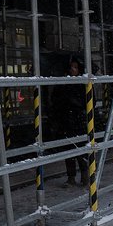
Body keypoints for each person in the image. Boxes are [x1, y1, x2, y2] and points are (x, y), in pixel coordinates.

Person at [49, 57, 88, 186]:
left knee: (81, 149)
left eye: (75, 67)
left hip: (79, 121)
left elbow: (86, 102)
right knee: (69, 150)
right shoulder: (63, 83)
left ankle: (84, 174)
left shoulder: (83, 84)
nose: (73, 69)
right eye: (71, 67)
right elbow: (55, 100)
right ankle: (71, 176)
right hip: (66, 121)